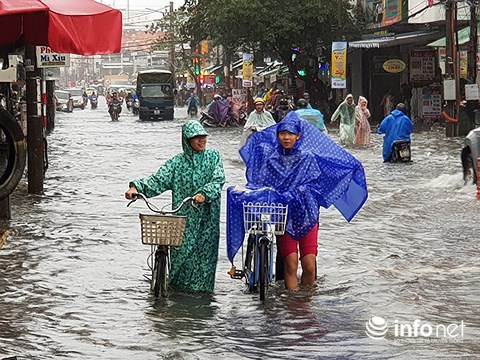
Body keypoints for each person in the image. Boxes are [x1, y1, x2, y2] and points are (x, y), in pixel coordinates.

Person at [226, 112, 368, 291]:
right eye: (282, 133)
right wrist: (245, 192)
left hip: (308, 216)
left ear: (298, 136)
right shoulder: (271, 159)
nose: (286, 137)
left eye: (290, 134)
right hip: (284, 218)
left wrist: (297, 192)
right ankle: (292, 308)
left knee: (309, 266)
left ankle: (306, 304)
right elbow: (260, 184)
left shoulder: (307, 158)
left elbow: (316, 184)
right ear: (277, 135)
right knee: (291, 264)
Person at [125, 120, 226, 293]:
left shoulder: (213, 157)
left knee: (204, 259)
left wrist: (204, 194)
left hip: (207, 219)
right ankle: (178, 297)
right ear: (186, 140)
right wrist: (136, 187)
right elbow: (157, 180)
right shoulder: (176, 163)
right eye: (196, 138)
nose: (201, 141)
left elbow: (218, 180)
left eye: (203, 137)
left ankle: (202, 299)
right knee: (181, 257)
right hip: (183, 218)